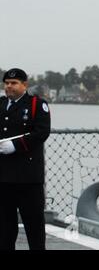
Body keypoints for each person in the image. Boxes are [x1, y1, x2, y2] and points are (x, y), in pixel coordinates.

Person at [0, 68, 51, 250]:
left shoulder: (37, 104)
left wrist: (16, 145)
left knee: (34, 226)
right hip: (3, 177)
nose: (9, 87)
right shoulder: (1, 104)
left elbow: (42, 132)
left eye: (13, 83)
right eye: (6, 83)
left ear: (24, 85)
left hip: (28, 177)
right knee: (4, 227)